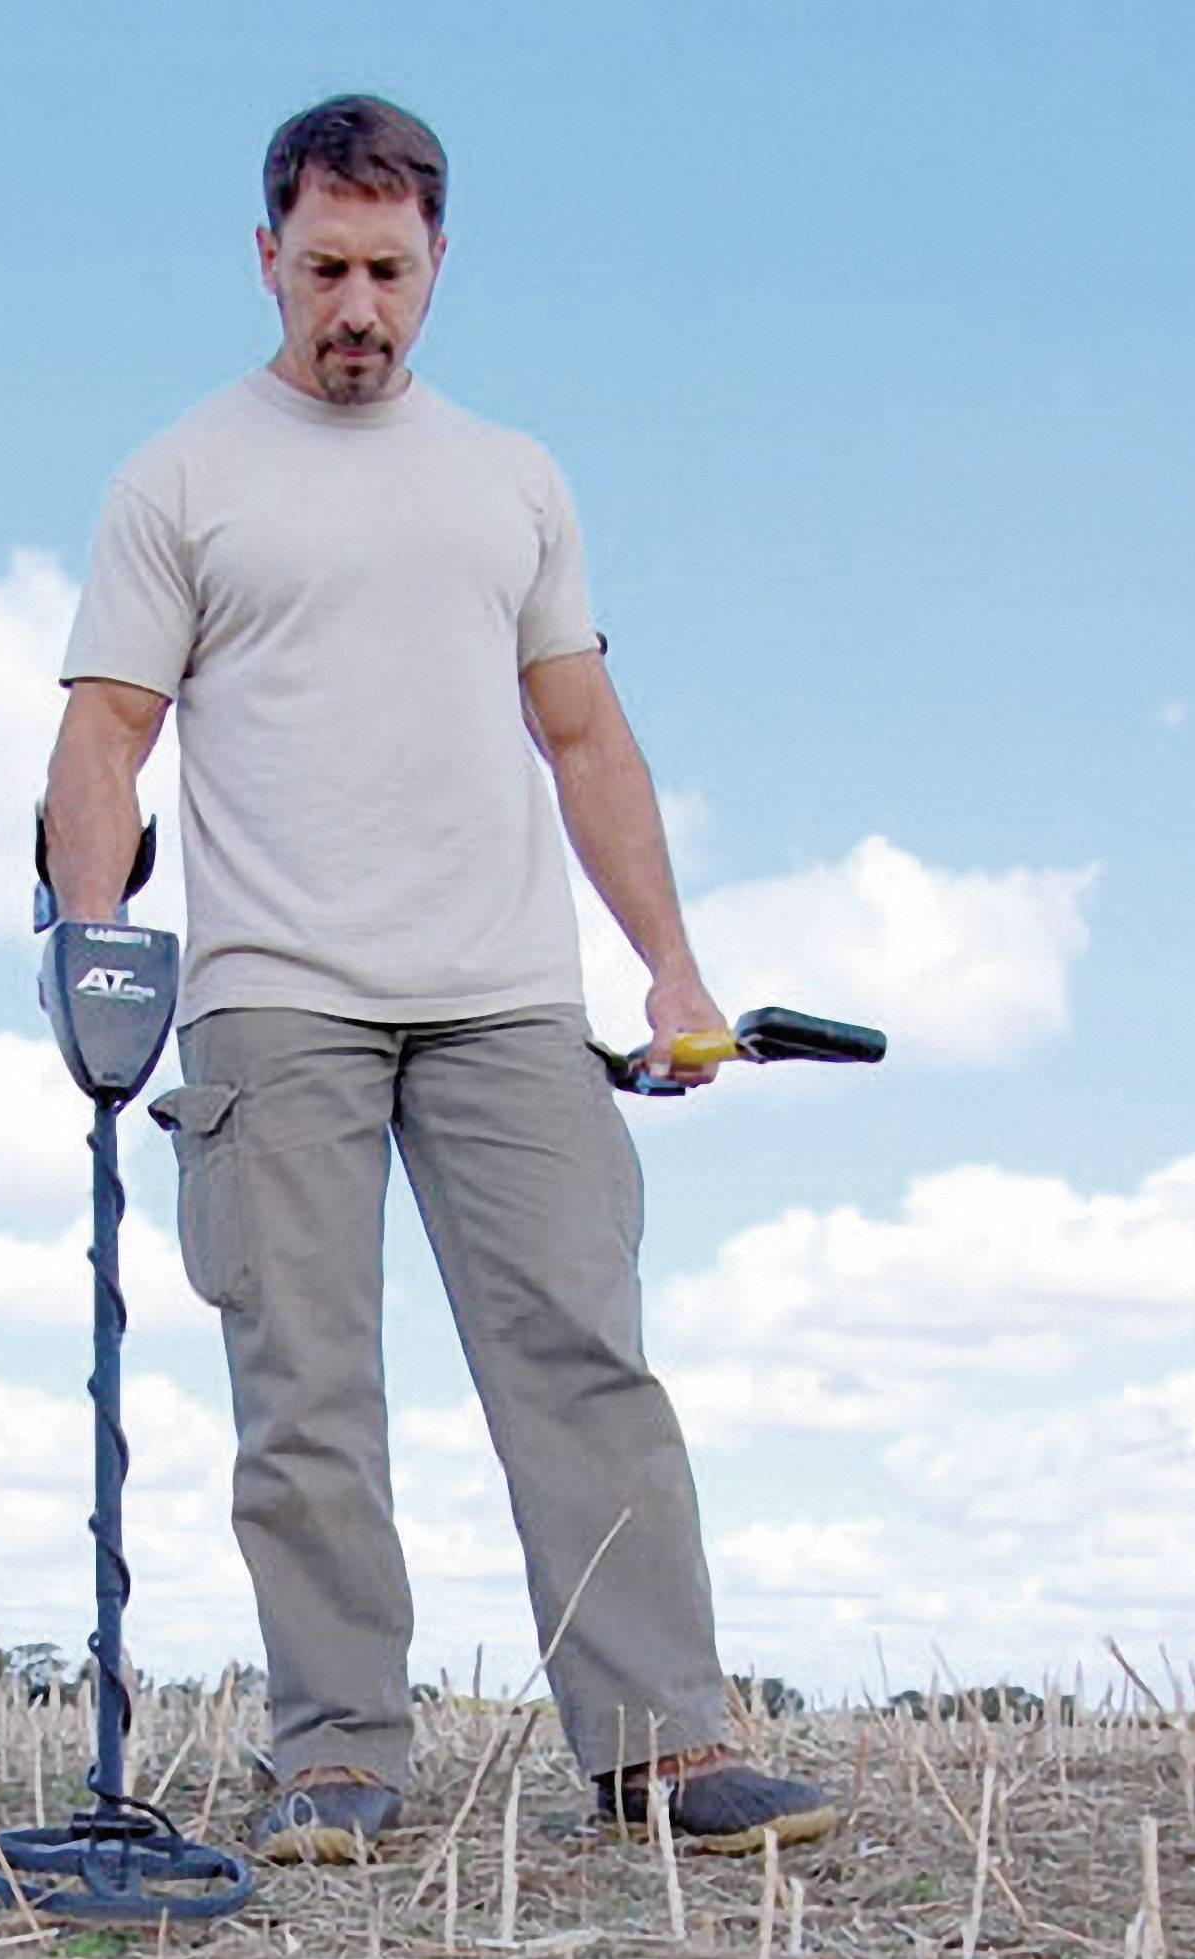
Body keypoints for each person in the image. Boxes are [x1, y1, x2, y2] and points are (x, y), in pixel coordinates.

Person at [44, 94, 835, 1862]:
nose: (355, 309)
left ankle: (664, 1746)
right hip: (274, 987)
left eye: (388, 273)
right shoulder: (176, 478)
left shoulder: (512, 477)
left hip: (502, 991)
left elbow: (585, 733)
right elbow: (102, 736)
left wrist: (671, 969)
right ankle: (335, 1752)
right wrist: (94, 949)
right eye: (322, 268)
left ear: (436, 263)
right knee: (307, 1383)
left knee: (581, 1354)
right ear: (266, 256)